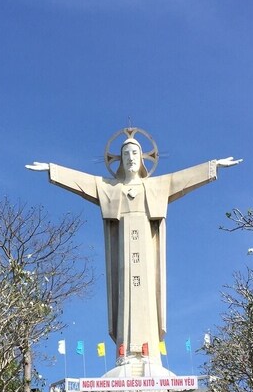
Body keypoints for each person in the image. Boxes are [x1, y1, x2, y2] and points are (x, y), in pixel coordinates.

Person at [26, 131, 240, 371]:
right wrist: (52, 170)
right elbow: (82, 181)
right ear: (118, 159)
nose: (130, 157)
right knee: (124, 295)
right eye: (125, 153)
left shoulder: (157, 186)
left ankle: (150, 357)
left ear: (143, 158)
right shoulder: (109, 188)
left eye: (135, 153)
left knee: (147, 296)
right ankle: (125, 355)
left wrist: (213, 167)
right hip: (123, 250)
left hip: (147, 252)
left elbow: (184, 178)